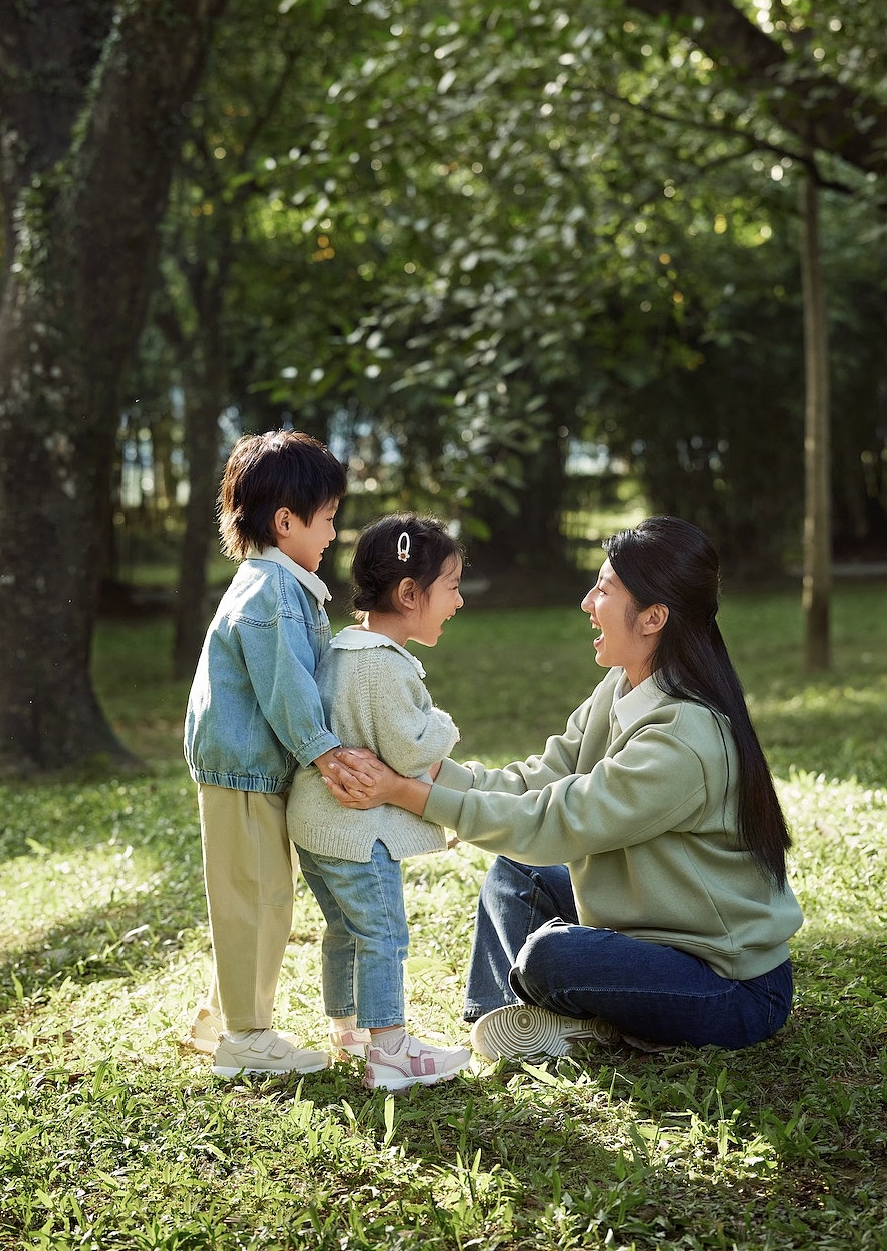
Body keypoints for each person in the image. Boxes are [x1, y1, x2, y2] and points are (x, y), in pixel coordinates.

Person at [327, 516, 804, 1059]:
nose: (586, 602)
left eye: (603, 589)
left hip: (726, 985)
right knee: (515, 873)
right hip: (649, 932)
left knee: (551, 956)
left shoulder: (683, 738)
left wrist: (407, 794)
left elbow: (557, 822)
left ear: (653, 617)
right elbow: (538, 778)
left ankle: (561, 1017)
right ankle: (506, 1024)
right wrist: (424, 773)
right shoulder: (623, 687)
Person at [184, 428, 364, 1077]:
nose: (333, 534)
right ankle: (245, 1038)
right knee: (254, 898)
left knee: (260, 895)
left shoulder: (280, 584)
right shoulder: (269, 591)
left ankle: (221, 1019)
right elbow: (285, 683)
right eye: (327, 520)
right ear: (285, 521)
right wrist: (323, 750)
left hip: (251, 767)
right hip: (242, 769)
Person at [287, 513, 472, 1091]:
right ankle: (389, 1048)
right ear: (410, 593)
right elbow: (410, 747)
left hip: (318, 827)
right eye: (452, 587)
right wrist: (442, 723)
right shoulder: (381, 664)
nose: (459, 601)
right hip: (356, 833)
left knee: (344, 930)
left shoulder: (346, 650)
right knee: (383, 934)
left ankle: (348, 1032)